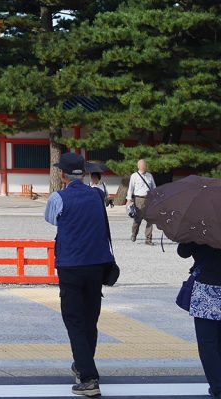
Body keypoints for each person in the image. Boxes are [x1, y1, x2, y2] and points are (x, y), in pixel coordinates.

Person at [43, 152, 115, 398]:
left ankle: (88, 377)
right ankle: (83, 364)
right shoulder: (97, 194)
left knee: (73, 320)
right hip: (97, 264)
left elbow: (51, 220)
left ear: (62, 174)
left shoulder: (58, 197)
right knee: (89, 318)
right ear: (83, 173)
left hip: (71, 264)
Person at [177, 241, 221, 399]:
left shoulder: (199, 221)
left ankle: (218, 387)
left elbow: (183, 251)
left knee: (207, 343)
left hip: (206, 288)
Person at [125, 159, 156, 245]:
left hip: (149, 199)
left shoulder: (149, 176)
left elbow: (154, 187)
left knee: (150, 220)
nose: (143, 166)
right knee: (137, 219)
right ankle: (134, 234)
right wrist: (128, 199)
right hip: (138, 199)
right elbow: (130, 188)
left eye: (144, 165)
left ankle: (148, 239)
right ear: (138, 166)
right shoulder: (134, 176)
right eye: (142, 165)